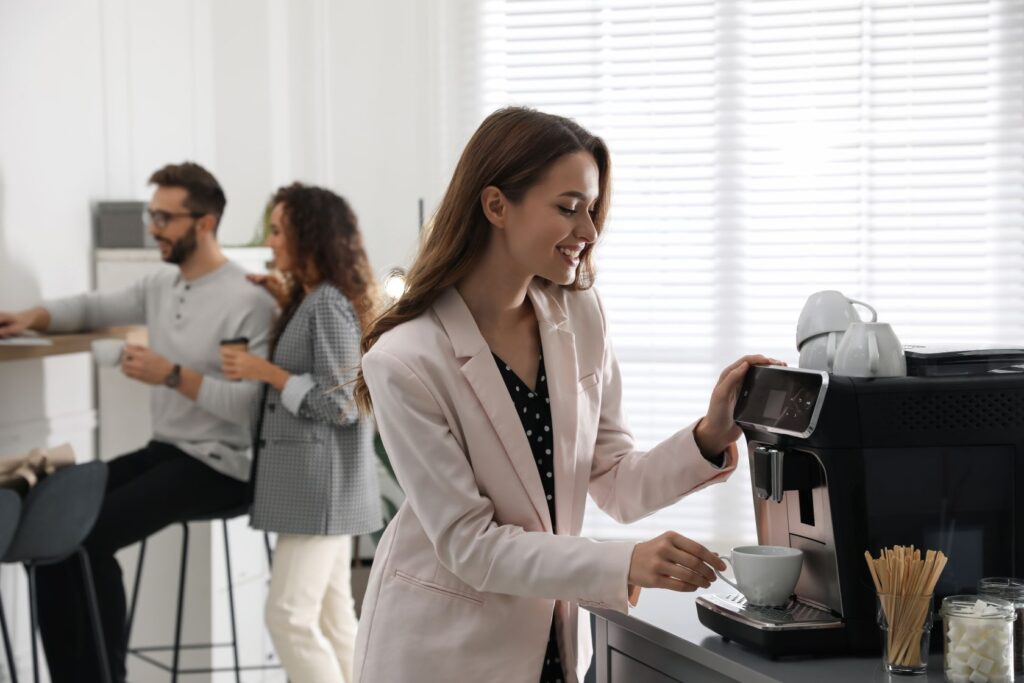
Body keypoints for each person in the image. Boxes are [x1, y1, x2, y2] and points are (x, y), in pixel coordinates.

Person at [351, 107, 784, 683]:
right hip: (443, 650)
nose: (590, 231)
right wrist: (625, 561)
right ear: (496, 205)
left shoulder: (580, 314)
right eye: (568, 207)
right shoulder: (405, 359)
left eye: (592, 209)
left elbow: (615, 480)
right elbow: (470, 545)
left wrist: (710, 434)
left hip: (553, 640)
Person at [0, 162, 277, 683]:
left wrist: (171, 375)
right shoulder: (161, 286)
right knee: (54, 527)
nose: (153, 228)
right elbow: (92, 307)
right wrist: (32, 316)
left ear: (205, 223)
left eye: (164, 218)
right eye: (152, 215)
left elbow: (250, 407)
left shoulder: (248, 300)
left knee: (87, 537)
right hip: (168, 450)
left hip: (223, 466)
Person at [219, 182, 382, 682]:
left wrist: (264, 371)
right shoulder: (315, 298)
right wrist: (285, 297)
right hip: (319, 489)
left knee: (287, 617)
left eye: (277, 230)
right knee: (335, 621)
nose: (269, 241)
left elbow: (342, 405)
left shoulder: (327, 303)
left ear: (308, 235)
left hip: (319, 491)